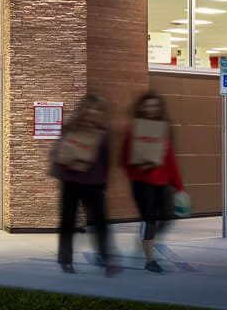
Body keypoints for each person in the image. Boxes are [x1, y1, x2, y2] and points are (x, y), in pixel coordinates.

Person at [48, 93, 118, 275]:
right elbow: (57, 153)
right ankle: (66, 259)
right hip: (70, 182)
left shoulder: (102, 133)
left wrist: (104, 183)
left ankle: (106, 258)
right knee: (67, 222)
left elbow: (106, 160)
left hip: (94, 183)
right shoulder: (70, 129)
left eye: (96, 109)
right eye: (88, 108)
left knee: (100, 223)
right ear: (82, 110)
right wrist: (65, 166)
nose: (91, 112)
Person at [123, 92, 184, 273]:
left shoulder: (162, 130)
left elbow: (170, 160)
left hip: (162, 183)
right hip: (142, 182)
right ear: (141, 107)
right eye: (147, 105)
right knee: (149, 219)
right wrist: (138, 168)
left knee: (167, 217)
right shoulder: (133, 130)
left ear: (159, 108)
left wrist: (179, 187)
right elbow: (124, 159)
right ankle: (150, 260)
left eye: (154, 105)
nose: (151, 109)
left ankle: (146, 239)